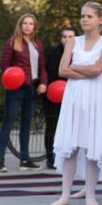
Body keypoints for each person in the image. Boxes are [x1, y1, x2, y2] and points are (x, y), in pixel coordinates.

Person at [50, 2, 102, 205]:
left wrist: (76, 67)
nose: (84, 19)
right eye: (82, 16)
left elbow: (99, 69)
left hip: (95, 97)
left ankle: (91, 193)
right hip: (74, 97)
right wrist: (86, 69)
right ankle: (65, 194)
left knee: (91, 146)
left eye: (89, 16)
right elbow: (62, 70)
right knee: (71, 145)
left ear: (100, 20)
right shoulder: (73, 42)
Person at [0, 13, 49, 172]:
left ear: (34, 27)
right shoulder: (12, 43)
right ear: (20, 25)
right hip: (16, 88)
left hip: (32, 89)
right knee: (8, 123)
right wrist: (16, 78)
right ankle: (0, 161)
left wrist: (43, 83)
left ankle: (25, 160)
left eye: (31, 23)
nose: (27, 26)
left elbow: (42, 67)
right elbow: (5, 65)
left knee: (26, 125)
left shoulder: (37, 45)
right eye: (25, 23)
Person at [43, 26, 76, 170]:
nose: (67, 40)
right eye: (64, 37)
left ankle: (67, 157)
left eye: (70, 37)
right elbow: (53, 72)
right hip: (54, 95)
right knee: (52, 126)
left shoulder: (79, 52)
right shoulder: (54, 53)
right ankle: (50, 157)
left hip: (73, 94)